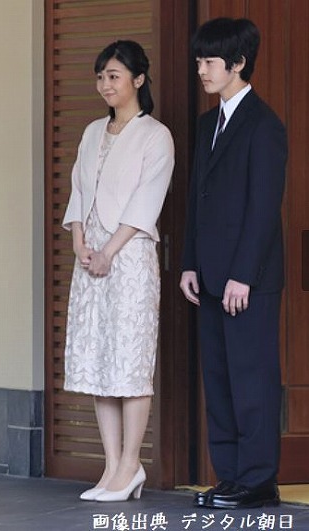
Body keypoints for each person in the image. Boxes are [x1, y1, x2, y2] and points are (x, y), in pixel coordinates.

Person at [180, 18, 287, 510]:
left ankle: (259, 480)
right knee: (220, 380)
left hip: (249, 281)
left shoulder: (264, 126)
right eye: (199, 61)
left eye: (209, 61)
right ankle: (230, 477)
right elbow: (196, 201)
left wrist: (242, 275)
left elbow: (264, 209)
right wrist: (189, 263)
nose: (201, 70)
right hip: (208, 277)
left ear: (238, 63)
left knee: (251, 380)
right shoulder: (208, 124)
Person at [62, 40, 174, 503]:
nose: (105, 84)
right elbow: (77, 191)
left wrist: (109, 250)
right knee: (98, 360)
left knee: (129, 361)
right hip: (91, 259)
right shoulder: (92, 132)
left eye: (114, 76)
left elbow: (148, 201)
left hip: (128, 259)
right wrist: (80, 244)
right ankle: (111, 467)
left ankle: (131, 464)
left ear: (138, 79)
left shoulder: (155, 135)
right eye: (101, 76)